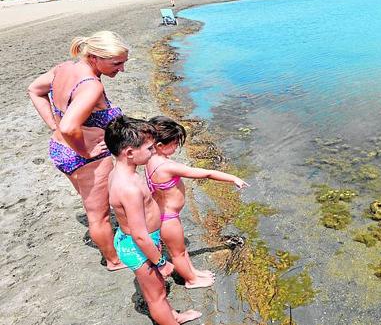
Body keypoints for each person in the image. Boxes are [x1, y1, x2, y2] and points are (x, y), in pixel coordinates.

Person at [28, 31, 128, 271]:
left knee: (92, 205)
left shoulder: (63, 68)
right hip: (84, 157)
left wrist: (53, 125)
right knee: (98, 214)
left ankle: (111, 248)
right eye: (116, 63)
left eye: (124, 62)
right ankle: (114, 261)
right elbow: (70, 126)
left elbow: (34, 90)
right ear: (94, 57)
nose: (122, 69)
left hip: (59, 149)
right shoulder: (91, 86)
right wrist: (86, 152)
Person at [105, 116, 202, 325]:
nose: (152, 152)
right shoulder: (128, 188)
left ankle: (173, 316)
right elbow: (139, 235)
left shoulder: (122, 172)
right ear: (130, 153)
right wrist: (161, 262)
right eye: (149, 148)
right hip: (139, 246)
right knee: (156, 296)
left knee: (158, 290)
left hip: (139, 240)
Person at [147, 116, 249, 288]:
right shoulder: (168, 167)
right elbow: (207, 173)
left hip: (165, 213)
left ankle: (192, 271)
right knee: (177, 253)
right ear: (160, 145)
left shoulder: (150, 159)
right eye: (174, 143)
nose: (177, 147)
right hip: (167, 218)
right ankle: (191, 280)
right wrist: (233, 178)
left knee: (180, 249)